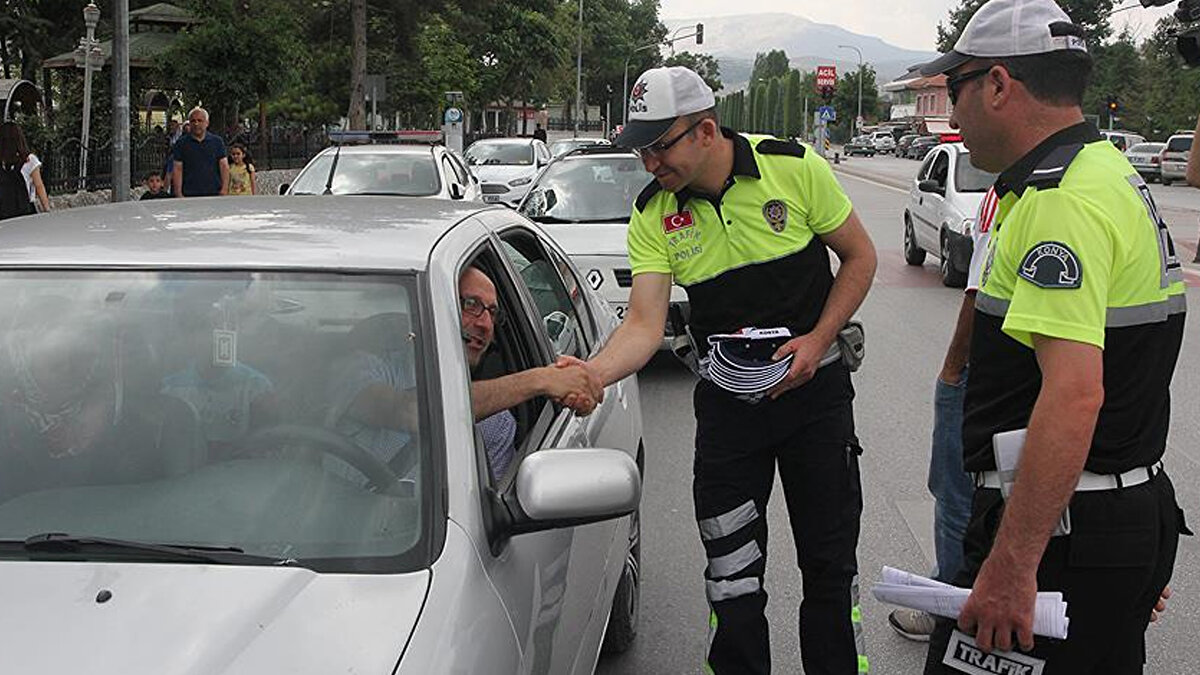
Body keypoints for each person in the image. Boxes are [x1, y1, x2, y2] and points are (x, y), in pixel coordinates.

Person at [565, 65, 877, 674]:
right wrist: (594, 375)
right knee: (732, 578)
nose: (649, 162)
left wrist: (818, 339)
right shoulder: (653, 214)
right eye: (641, 149)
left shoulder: (794, 168)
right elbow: (644, 325)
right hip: (730, 417)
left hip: (816, 405)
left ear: (706, 131)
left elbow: (860, 257)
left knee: (829, 570)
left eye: (660, 146)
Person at [917, 1, 1188, 672]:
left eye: (956, 88)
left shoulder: (1059, 197)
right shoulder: (1108, 173)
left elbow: (1073, 396)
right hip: (1108, 513)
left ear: (998, 85)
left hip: (1061, 532)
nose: (953, 117)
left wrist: (1014, 564)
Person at [326, 266, 602, 483]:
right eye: (471, 304)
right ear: (431, 307)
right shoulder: (363, 369)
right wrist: (540, 380)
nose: (485, 324)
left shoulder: (495, 424)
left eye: (492, 312)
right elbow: (409, 411)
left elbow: (497, 519)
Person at [889, 187, 998, 642]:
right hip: (1039, 372)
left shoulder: (1011, 193)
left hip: (987, 373)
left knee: (956, 493)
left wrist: (953, 371)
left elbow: (979, 290)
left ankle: (948, 607)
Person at [171, 107, 229, 198]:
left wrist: (224, 189)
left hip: (214, 193)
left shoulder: (217, 142)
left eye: (200, 120)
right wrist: (178, 193)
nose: (196, 124)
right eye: (193, 121)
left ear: (207, 123)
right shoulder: (181, 143)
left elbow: (224, 166)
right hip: (189, 193)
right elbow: (177, 169)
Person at [0, 121, 49, 218]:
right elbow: (39, 186)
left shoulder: (2, 161)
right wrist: (46, 208)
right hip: (25, 210)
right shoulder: (29, 160)